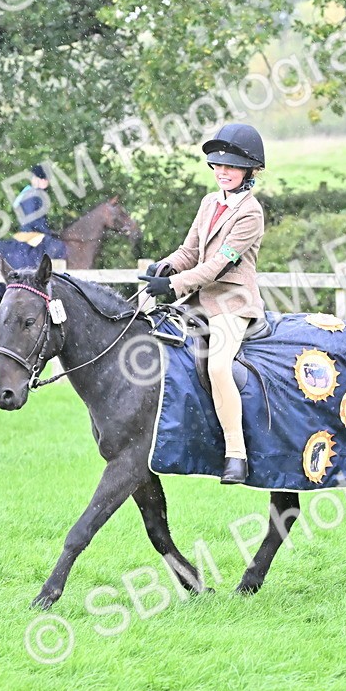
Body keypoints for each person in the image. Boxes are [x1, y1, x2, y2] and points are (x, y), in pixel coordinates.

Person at [139, 123, 268, 485]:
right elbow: (190, 252)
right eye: (217, 165)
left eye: (231, 166)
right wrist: (164, 265)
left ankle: (236, 454)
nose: (222, 171)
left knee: (218, 367)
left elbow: (218, 265)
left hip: (232, 302)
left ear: (250, 171)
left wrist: (173, 283)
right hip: (197, 299)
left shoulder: (251, 213)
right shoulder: (209, 202)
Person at [13, 164, 52, 237]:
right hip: (32, 235)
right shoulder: (32, 195)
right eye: (47, 180)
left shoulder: (34, 193)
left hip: (34, 233)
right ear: (43, 180)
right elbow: (33, 219)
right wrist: (47, 233)